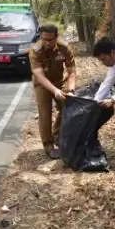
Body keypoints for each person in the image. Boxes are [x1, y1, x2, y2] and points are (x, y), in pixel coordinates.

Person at [29, 24, 76, 159]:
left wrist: (71, 89)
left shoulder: (64, 48)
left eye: (50, 39)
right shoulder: (35, 50)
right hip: (42, 84)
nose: (47, 42)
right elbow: (39, 75)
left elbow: (72, 71)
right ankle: (48, 146)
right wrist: (54, 90)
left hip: (59, 81)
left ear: (56, 37)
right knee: (45, 113)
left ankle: (57, 135)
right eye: (44, 39)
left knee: (67, 107)